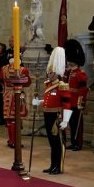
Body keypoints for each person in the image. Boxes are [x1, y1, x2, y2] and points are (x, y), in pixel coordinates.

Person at [32, 47, 72, 175]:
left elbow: (67, 104)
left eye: (51, 72)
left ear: (56, 73)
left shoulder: (61, 86)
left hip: (57, 116)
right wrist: (39, 102)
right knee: (51, 142)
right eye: (48, 72)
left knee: (57, 142)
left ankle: (58, 166)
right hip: (47, 114)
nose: (48, 74)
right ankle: (52, 164)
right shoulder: (48, 85)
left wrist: (66, 120)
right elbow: (48, 101)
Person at [63, 39, 88, 151]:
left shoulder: (80, 74)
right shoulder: (69, 72)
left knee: (77, 124)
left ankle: (78, 143)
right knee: (72, 124)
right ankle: (73, 142)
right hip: (69, 101)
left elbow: (83, 90)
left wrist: (81, 102)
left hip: (76, 102)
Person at [0, 60, 31, 149]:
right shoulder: (22, 69)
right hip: (16, 94)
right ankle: (15, 142)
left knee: (9, 119)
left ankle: (11, 140)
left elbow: (1, 80)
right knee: (15, 118)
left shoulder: (3, 69)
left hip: (6, 94)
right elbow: (28, 82)